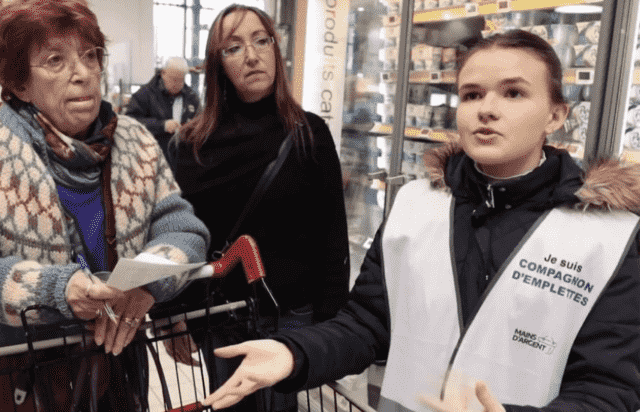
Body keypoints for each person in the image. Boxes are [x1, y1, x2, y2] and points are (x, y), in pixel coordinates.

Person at [201, 29, 640, 412]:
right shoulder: (416, 205)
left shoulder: (608, 236)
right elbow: (368, 324)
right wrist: (293, 353)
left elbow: (609, 388)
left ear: (556, 115)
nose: (486, 109)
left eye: (513, 93)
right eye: (471, 94)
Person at [0, 0, 210, 411]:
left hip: (120, 372)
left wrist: (149, 281)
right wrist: (53, 288)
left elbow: (182, 229)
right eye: (56, 60)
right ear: (19, 82)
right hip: (25, 381)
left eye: (90, 56)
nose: (83, 73)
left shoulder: (136, 142)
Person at [167, 4, 351, 412]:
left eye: (261, 40)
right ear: (217, 65)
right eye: (233, 47)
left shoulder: (309, 134)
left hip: (291, 318)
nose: (252, 55)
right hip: (218, 315)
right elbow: (177, 236)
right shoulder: (189, 146)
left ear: (275, 48)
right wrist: (175, 313)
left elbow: (333, 238)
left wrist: (333, 332)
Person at [125, 56, 201, 160]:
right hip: (152, 158)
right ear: (163, 73)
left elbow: (200, 123)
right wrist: (162, 126)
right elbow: (130, 123)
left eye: (181, 80)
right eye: (174, 79)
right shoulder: (145, 94)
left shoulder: (191, 97)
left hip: (183, 160)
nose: (177, 84)